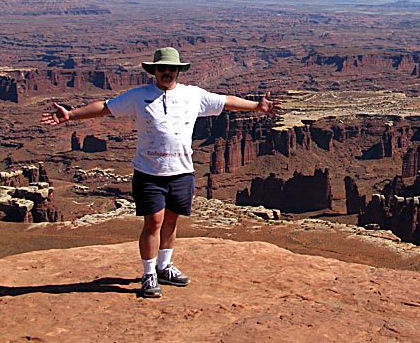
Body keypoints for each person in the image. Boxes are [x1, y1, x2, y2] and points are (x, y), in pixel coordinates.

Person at [40, 47, 282, 299]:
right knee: (153, 222)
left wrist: (256, 106)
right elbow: (105, 107)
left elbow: (226, 101)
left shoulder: (193, 95)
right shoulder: (138, 96)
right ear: (154, 70)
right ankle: (148, 274)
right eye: (162, 68)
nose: (167, 72)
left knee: (171, 220)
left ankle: (164, 267)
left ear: (179, 71)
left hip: (182, 171)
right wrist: (71, 115)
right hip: (149, 172)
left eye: (171, 69)